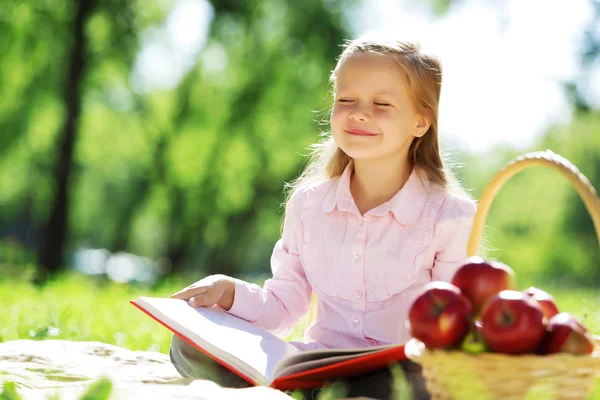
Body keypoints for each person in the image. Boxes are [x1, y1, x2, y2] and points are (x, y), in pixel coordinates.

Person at [169, 35, 477, 400]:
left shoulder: (449, 216)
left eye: (381, 103)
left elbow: (454, 330)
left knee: (416, 385)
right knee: (188, 345)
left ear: (421, 122)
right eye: (346, 99)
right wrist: (228, 292)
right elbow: (283, 308)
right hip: (313, 365)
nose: (359, 112)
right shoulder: (309, 205)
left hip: (398, 373)